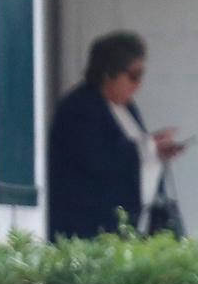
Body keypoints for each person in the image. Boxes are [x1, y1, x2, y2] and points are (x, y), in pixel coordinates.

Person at [48, 32, 186, 240]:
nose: (138, 84)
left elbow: (135, 151)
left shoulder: (128, 108)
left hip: (135, 222)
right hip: (91, 225)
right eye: (133, 76)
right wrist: (148, 146)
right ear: (108, 74)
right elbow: (96, 158)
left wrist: (156, 150)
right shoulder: (79, 108)